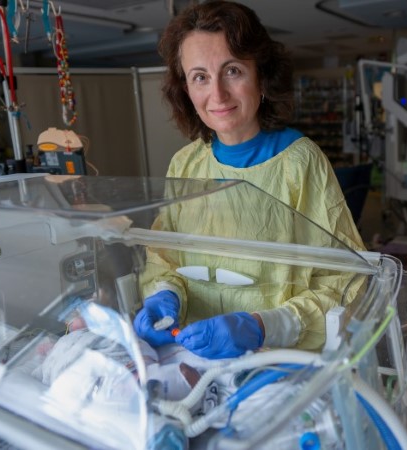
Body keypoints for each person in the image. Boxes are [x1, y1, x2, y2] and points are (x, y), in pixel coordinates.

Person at [134, 0, 367, 359]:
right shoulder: (184, 164)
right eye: (200, 77)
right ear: (186, 90)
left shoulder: (300, 163)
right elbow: (164, 259)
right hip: (191, 355)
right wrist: (164, 293)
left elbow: (345, 284)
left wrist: (263, 326)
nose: (217, 95)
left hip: (275, 359)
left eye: (232, 71)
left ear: (261, 76)